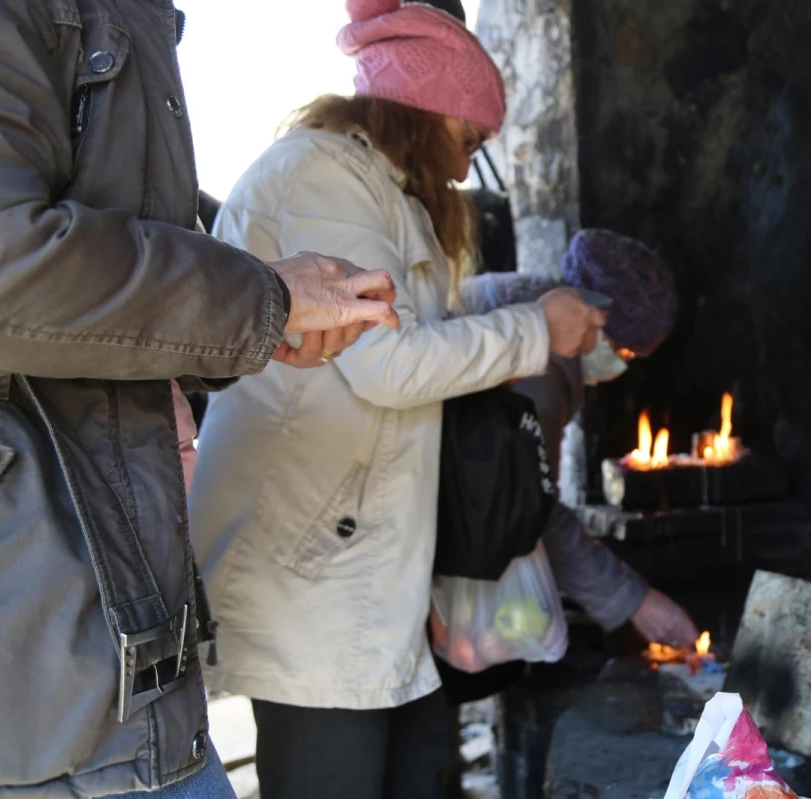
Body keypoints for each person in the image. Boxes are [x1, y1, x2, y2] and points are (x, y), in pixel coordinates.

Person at [185, 2, 605, 797]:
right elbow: (386, 364)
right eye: (470, 141)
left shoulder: (386, 195)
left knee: (421, 774)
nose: (461, 171)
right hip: (311, 579)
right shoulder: (320, 177)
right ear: (426, 106)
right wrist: (536, 329)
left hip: (372, 580)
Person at [0, 1, 401, 796]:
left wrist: (246, 325)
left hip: (125, 676)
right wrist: (258, 300)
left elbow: (85, 321)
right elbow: (10, 270)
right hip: (46, 691)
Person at [462, 230, 698, 649]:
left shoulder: (524, 297)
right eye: (625, 354)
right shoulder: (542, 367)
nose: (619, 367)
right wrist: (637, 602)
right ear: (599, 321)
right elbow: (532, 505)